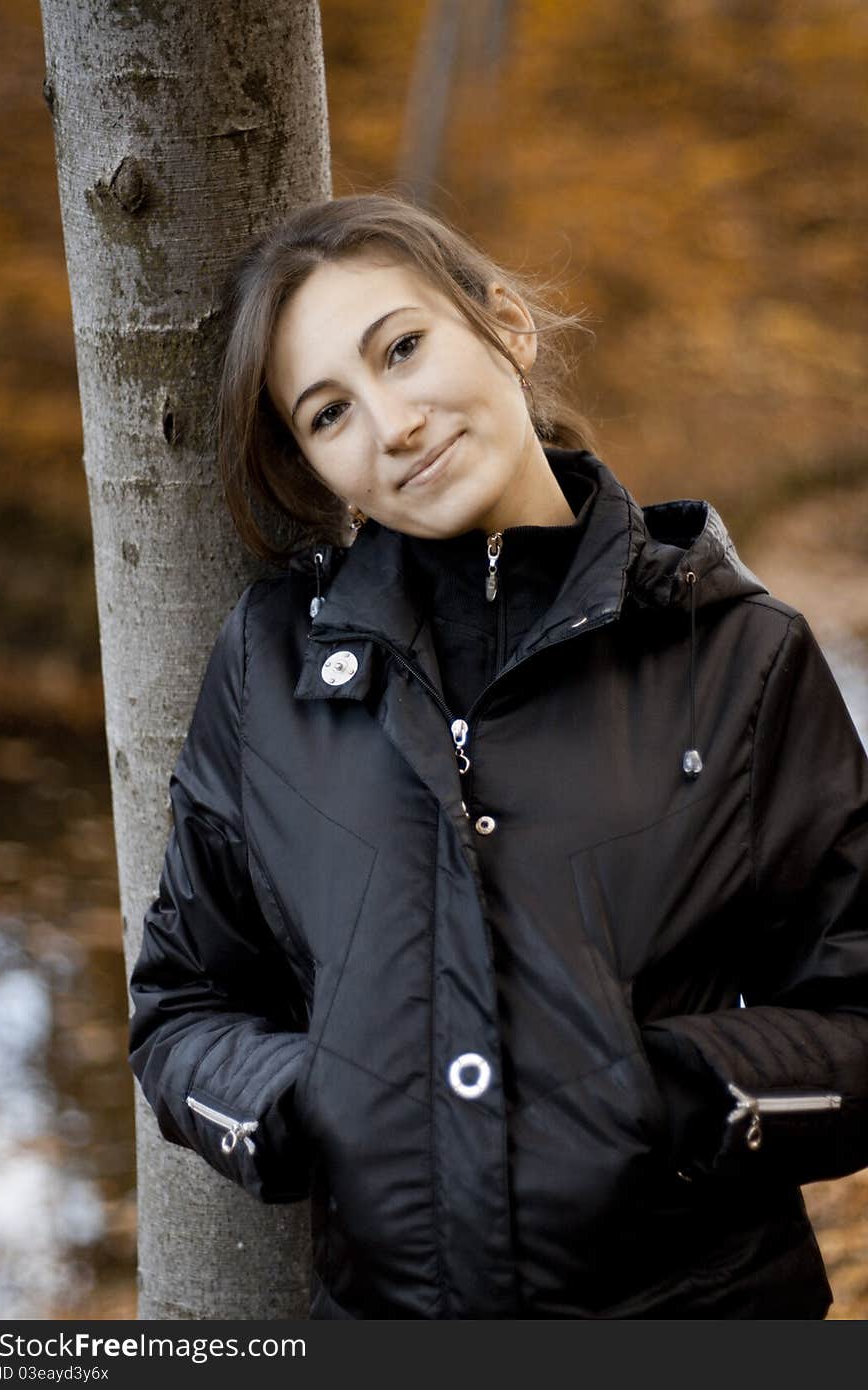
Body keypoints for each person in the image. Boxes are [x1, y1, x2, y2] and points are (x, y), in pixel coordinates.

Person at [128, 192, 868, 1320]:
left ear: (506, 325)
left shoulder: (738, 654)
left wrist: (672, 1090)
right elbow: (185, 1002)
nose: (393, 423)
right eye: (328, 413)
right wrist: (311, 1099)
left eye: (404, 348)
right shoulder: (269, 668)